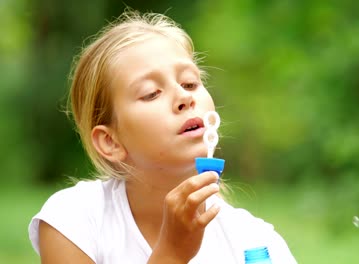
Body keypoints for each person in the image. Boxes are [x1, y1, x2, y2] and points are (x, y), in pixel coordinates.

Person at [28, 10, 297, 264]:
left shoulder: (254, 242)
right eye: (151, 93)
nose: (184, 97)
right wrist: (171, 254)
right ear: (111, 142)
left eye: (190, 83)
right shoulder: (74, 221)